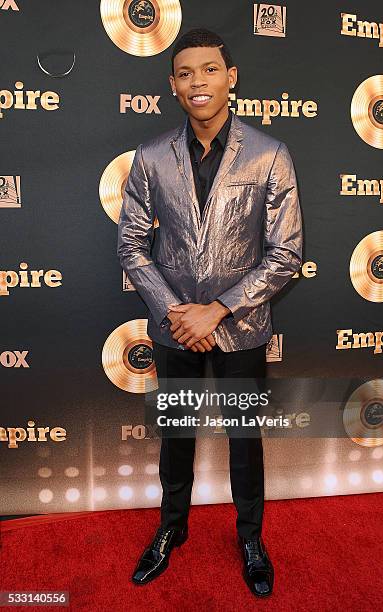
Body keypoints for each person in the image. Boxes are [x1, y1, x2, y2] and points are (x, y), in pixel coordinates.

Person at [117, 28, 303, 597]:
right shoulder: (150, 157)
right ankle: (171, 529)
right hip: (175, 333)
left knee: (245, 441)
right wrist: (180, 314)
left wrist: (217, 310)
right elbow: (131, 246)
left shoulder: (270, 154)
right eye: (186, 73)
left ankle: (251, 539)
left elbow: (287, 253)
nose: (198, 82)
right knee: (175, 438)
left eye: (209, 70)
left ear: (231, 77)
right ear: (172, 85)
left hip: (242, 331)